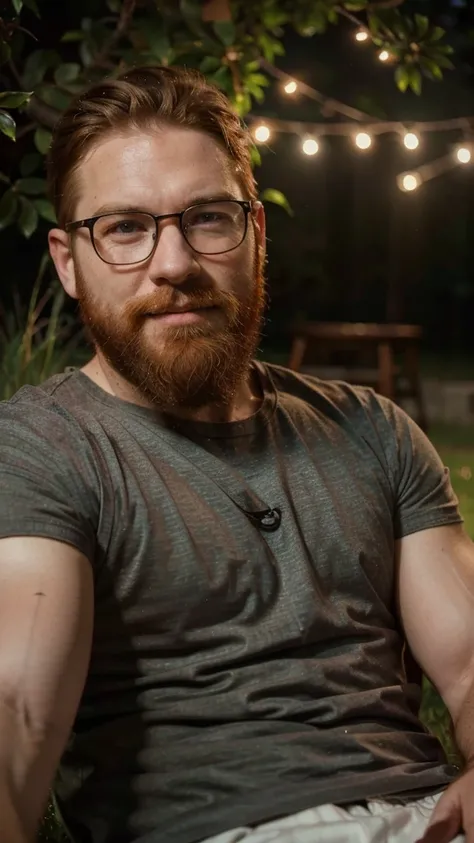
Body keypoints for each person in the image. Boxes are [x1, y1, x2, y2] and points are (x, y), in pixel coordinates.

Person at [0, 65, 473, 843]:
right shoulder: (44, 449)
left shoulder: (372, 428)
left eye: (208, 219)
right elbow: (17, 712)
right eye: (124, 228)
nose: (174, 263)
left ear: (257, 233)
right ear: (66, 262)